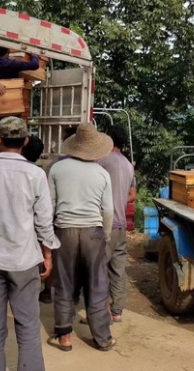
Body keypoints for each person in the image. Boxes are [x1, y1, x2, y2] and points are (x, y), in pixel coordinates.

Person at [0, 117, 58, 371]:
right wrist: (47, 255)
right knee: (28, 326)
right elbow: (44, 222)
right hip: (24, 261)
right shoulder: (36, 175)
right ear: (25, 141)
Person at [47, 122, 117, 352]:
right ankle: (102, 338)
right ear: (95, 148)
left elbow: (50, 205)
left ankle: (64, 336)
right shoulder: (102, 174)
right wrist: (104, 234)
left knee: (64, 282)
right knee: (97, 284)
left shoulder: (57, 170)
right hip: (93, 232)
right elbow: (107, 211)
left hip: (64, 230)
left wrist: (47, 235)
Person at [93, 125, 136, 323]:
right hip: (121, 226)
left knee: (99, 269)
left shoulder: (101, 161)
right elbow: (133, 195)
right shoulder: (128, 165)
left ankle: (100, 312)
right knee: (118, 271)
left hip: (105, 224)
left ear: (109, 141)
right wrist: (119, 200)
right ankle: (117, 311)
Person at [40, 125, 79, 304]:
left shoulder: (54, 165)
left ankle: (49, 290)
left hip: (59, 219)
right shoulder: (91, 165)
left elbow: (48, 197)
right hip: (83, 222)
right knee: (76, 260)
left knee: (54, 255)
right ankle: (74, 292)